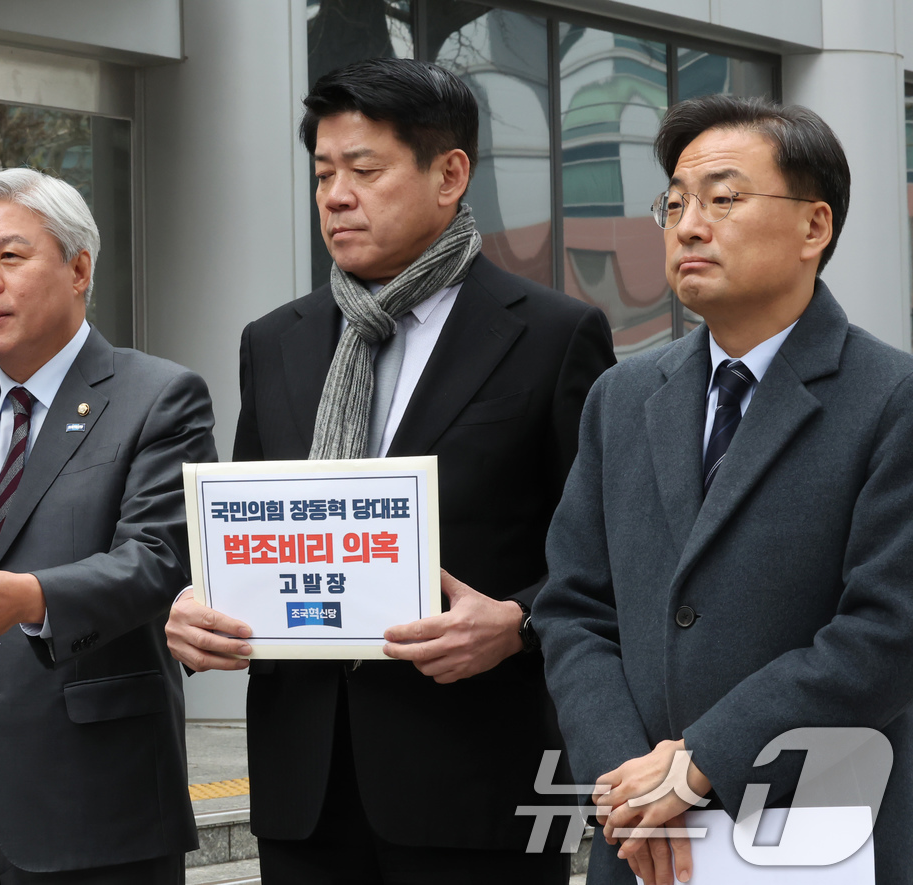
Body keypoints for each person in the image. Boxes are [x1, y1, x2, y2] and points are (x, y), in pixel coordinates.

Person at [166, 58, 615, 884]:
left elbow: (608, 554)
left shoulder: (553, 336)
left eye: (363, 170)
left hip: (478, 783)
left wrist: (517, 622)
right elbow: (244, 532)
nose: (335, 195)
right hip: (305, 783)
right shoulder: (277, 340)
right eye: (323, 173)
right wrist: (196, 610)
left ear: (450, 174)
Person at [535, 95, 913, 885]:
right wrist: (627, 782)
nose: (688, 226)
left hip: (821, 835)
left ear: (816, 226)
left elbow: (886, 629)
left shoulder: (890, 398)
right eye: (674, 203)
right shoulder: (622, 397)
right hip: (643, 843)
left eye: (723, 199)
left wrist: (703, 761)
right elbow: (575, 607)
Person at [0, 167, 217, 884]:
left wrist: (31, 599)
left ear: (79, 269)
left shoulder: (158, 395)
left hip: (94, 794)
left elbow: (160, 559)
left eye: (9, 256)